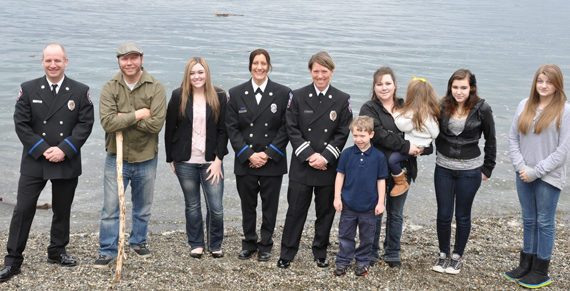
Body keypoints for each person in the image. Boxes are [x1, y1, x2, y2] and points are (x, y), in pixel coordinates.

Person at [0, 43, 94, 283]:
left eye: (58, 60)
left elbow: (85, 124)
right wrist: (43, 150)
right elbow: (21, 124)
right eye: (48, 60)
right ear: (42, 62)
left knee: (62, 209)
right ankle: (13, 260)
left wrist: (64, 149)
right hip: (35, 159)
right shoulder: (28, 89)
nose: (53, 65)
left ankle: (57, 251)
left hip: (66, 158)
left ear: (66, 62)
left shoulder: (80, 91)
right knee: (23, 209)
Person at [278, 51, 352, 269]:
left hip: (328, 167)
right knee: (295, 211)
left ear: (332, 71)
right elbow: (291, 128)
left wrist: (325, 157)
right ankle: (287, 252)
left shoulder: (342, 99)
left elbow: (342, 132)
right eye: (316, 71)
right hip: (302, 165)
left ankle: (320, 251)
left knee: (325, 213)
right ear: (310, 71)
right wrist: (310, 155)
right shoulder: (297, 96)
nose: (320, 76)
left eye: (324, 71)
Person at [95, 42, 166, 268]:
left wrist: (123, 117)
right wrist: (137, 115)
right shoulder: (110, 87)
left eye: (134, 58)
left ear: (141, 59)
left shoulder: (155, 87)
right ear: (118, 61)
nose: (129, 62)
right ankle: (107, 250)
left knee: (143, 206)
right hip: (116, 156)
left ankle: (138, 242)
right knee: (110, 208)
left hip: (146, 157)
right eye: (125, 58)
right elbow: (107, 123)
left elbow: (155, 125)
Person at [504, 64, 569, 289]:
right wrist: (521, 166)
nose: (543, 85)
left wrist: (536, 171)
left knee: (544, 222)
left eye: (549, 82)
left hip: (548, 176)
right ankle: (526, 264)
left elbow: (562, 151)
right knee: (529, 219)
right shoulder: (524, 105)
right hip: (523, 173)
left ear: (557, 85)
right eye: (540, 81)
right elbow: (513, 138)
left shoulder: (565, 110)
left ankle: (541, 270)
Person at [359, 66, 429, 268]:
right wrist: (407, 145)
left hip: (404, 170)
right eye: (379, 84)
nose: (384, 88)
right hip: (375, 171)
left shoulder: (406, 105)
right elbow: (379, 134)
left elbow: (423, 129)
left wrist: (421, 148)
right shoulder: (368, 109)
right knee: (375, 211)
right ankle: (371, 252)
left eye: (388, 83)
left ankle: (392, 252)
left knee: (396, 214)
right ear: (374, 86)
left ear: (395, 85)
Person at [226, 49, 291, 261]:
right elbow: (232, 128)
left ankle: (266, 243)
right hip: (246, 160)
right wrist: (248, 154)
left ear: (269, 66)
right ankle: (249, 242)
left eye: (263, 63)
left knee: (270, 206)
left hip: (272, 161)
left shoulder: (283, 93)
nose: (259, 67)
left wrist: (268, 154)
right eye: (256, 63)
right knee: (248, 205)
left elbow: (286, 127)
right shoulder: (235, 93)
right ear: (250, 66)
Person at [432, 69, 496, 274]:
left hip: (470, 169)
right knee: (443, 214)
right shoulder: (442, 106)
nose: (459, 92)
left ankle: (457, 256)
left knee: (462, 215)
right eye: (455, 87)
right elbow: (426, 128)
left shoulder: (482, 108)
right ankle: (443, 254)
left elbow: (491, 139)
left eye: (463, 88)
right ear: (450, 87)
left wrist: (488, 168)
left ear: (471, 88)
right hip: (443, 167)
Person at [165, 57, 228, 259]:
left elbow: (223, 131)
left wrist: (219, 160)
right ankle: (196, 243)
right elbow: (170, 129)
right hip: (185, 161)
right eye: (192, 73)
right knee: (192, 205)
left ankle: (215, 243)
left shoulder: (219, 95)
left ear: (207, 74)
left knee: (216, 207)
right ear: (187, 75)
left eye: (200, 72)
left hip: (211, 161)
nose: (197, 76)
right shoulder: (178, 96)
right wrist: (170, 159)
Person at [333, 116, 388, 277]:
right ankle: (343, 260)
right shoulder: (346, 154)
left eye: (362, 136)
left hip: (369, 206)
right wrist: (337, 197)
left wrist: (380, 202)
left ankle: (363, 261)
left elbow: (381, 181)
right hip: (348, 204)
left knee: (367, 236)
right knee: (345, 234)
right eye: (355, 135)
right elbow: (340, 176)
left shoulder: (378, 157)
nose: (358, 139)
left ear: (371, 134)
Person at [389, 77, 440, 196]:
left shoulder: (412, 114)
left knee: (392, 160)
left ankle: (401, 182)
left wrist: (400, 116)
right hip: (422, 146)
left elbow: (402, 126)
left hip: (413, 146)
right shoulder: (432, 115)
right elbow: (435, 134)